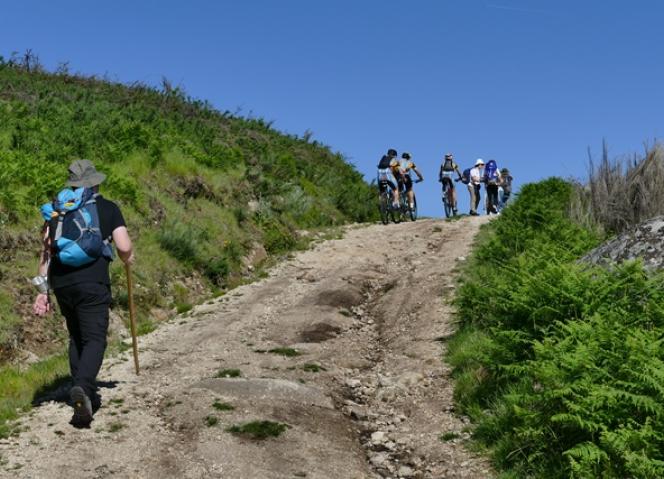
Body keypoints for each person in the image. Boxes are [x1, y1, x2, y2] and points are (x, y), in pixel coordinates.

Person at [33, 159, 135, 427]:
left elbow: (46, 251)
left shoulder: (58, 212)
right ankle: (84, 389)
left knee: (77, 335)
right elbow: (123, 246)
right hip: (93, 283)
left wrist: (42, 291)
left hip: (62, 284)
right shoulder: (107, 208)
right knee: (95, 339)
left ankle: (79, 392)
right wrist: (128, 257)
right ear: (95, 182)